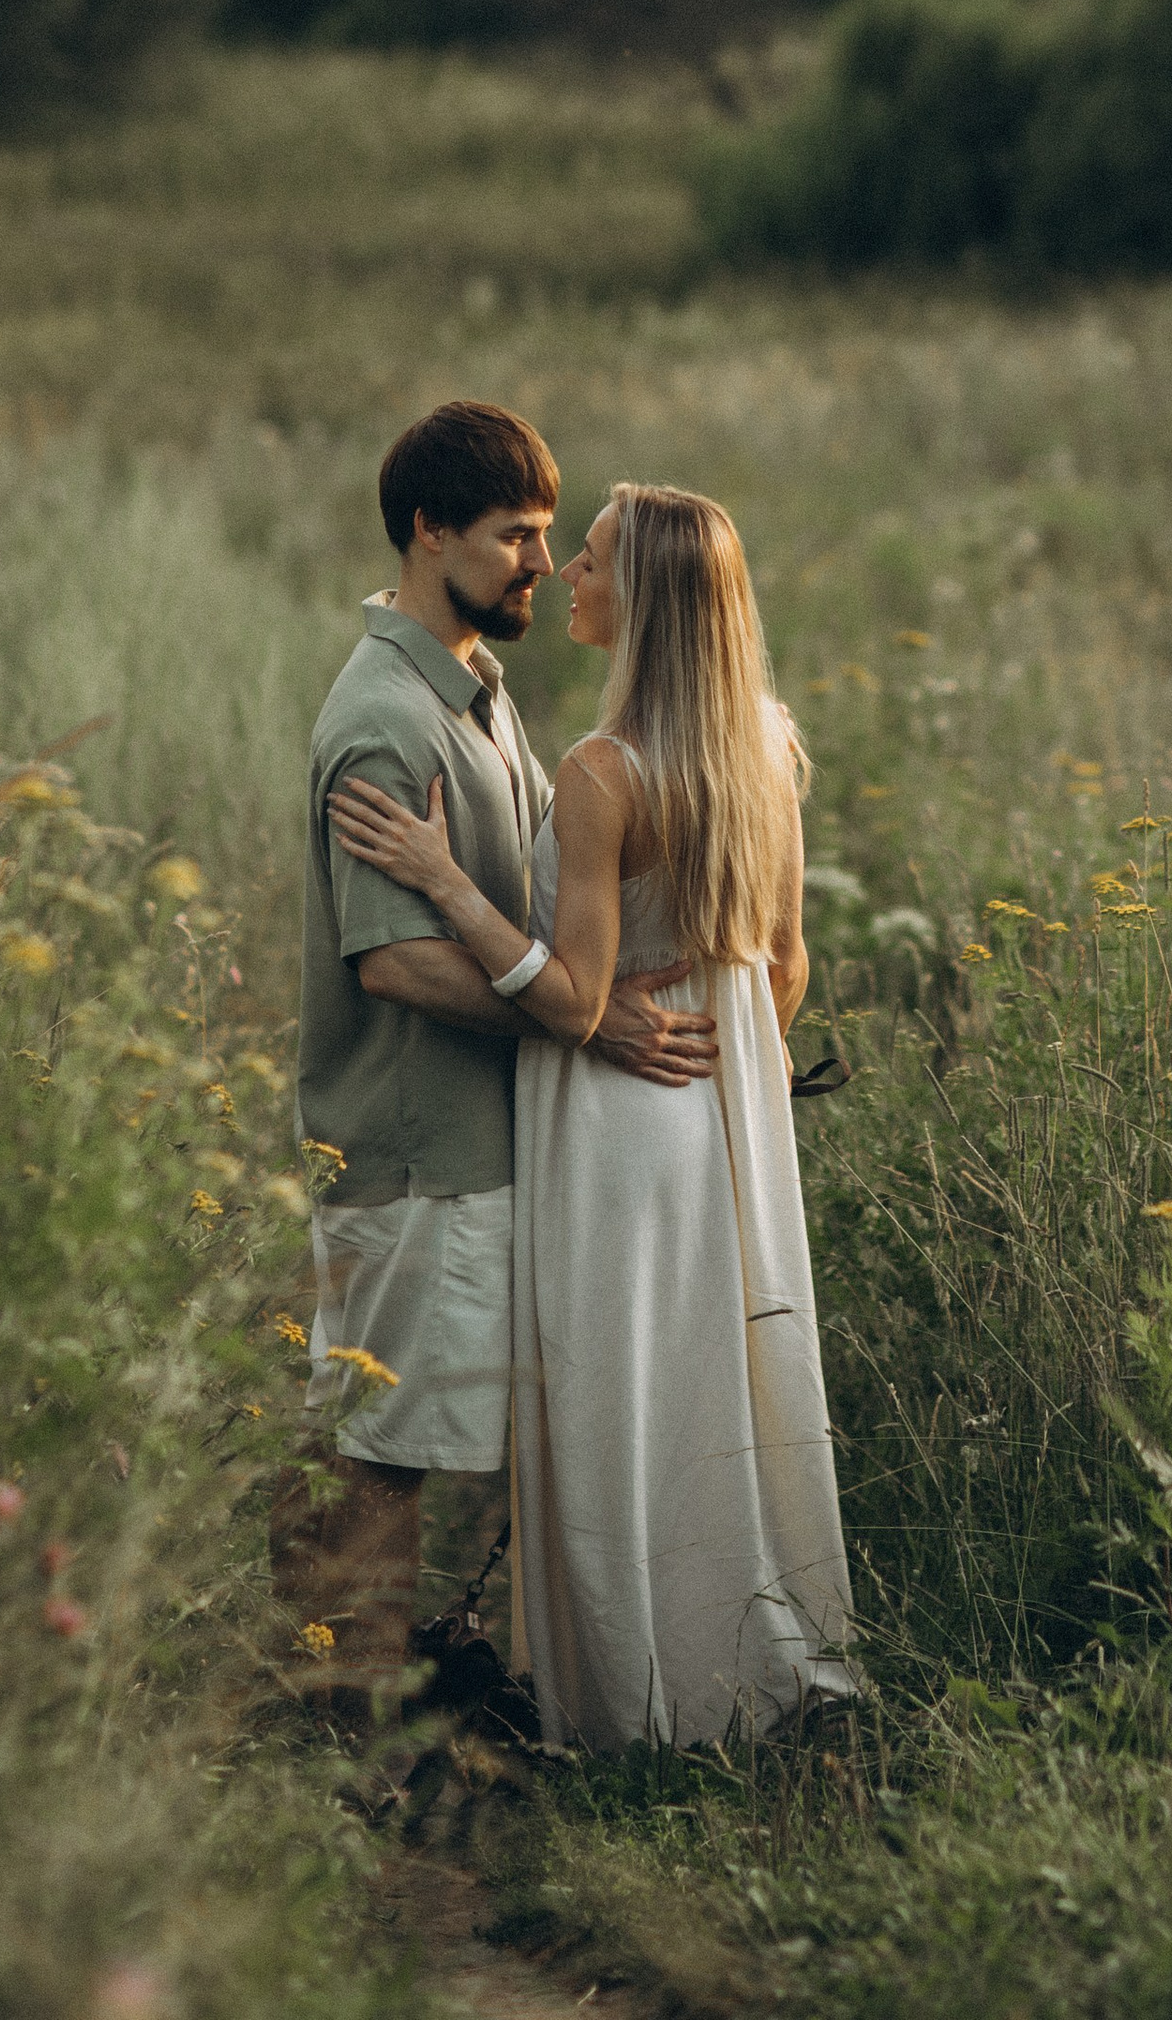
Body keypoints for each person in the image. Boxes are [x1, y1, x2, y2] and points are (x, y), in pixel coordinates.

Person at [330, 479, 855, 1749]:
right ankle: (740, 1679)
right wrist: (734, 1074)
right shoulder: (766, 745)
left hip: (615, 1122)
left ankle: (632, 1710)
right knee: (709, 1401)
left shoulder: (604, 769)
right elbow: (784, 965)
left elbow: (571, 993)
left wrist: (446, 879)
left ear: (652, 600)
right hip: (719, 1116)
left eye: (598, 560)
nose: (568, 572)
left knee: (613, 1413)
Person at [283, 404, 719, 1707]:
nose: (542, 562)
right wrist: (572, 1011)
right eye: (514, 536)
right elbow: (395, 961)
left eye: (546, 535)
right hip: (417, 1149)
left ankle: (394, 1699)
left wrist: (595, 993)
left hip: (477, 1143)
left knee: (412, 1433)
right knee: (381, 1449)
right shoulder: (384, 723)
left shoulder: (472, 687)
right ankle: (343, 1728)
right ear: (428, 532)